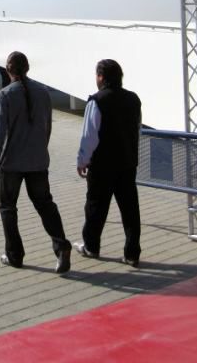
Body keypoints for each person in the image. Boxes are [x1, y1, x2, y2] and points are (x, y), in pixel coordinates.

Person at [0, 51, 72, 274]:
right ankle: (61, 245)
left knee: (8, 207)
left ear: (8, 70)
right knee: (45, 203)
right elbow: (47, 127)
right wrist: (41, 148)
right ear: (27, 68)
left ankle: (14, 255)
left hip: (11, 163)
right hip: (37, 160)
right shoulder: (43, 92)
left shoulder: (4, 95)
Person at [75, 59, 142, 267]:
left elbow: (89, 135)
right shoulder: (133, 99)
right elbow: (137, 128)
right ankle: (132, 253)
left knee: (96, 207)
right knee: (130, 210)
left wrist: (82, 160)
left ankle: (91, 246)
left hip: (102, 164)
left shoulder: (97, 101)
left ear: (101, 77)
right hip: (127, 162)